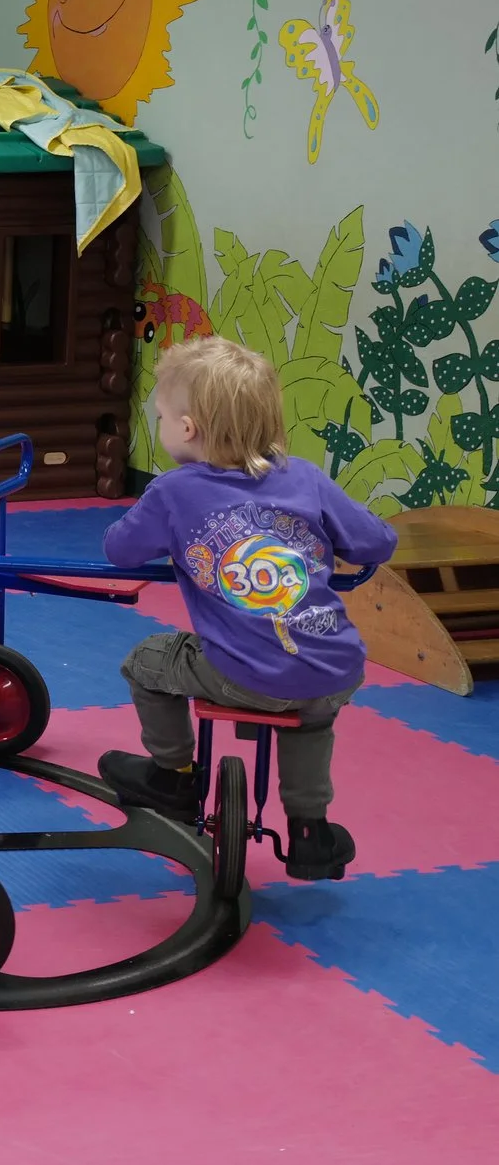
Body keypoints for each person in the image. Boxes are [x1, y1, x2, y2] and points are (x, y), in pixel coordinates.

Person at [98, 336, 397, 880]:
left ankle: (175, 775)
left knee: (146, 661)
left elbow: (119, 549)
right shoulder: (304, 477)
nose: (161, 426)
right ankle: (310, 831)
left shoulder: (174, 492)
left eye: (162, 416)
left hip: (241, 673)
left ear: (186, 428)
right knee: (310, 720)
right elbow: (376, 543)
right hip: (334, 668)